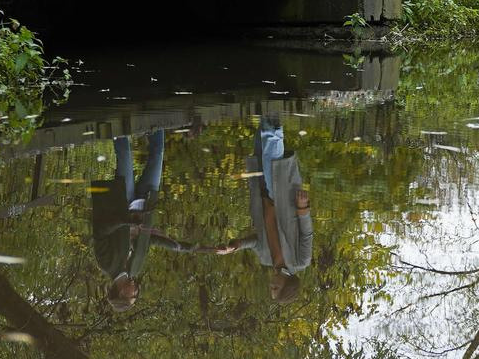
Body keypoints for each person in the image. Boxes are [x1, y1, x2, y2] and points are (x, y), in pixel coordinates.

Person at [90, 130, 205, 309]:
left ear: (122, 293)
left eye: (133, 296)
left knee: (124, 152)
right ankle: (156, 121)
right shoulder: (135, 269)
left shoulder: (105, 264)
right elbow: (148, 240)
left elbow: (100, 230)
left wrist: (126, 221)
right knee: (158, 152)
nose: (136, 292)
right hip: (145, 205)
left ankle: (119, 115)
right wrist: (181, 247)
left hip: (121, 201)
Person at [211, 120, 313, 302]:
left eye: (271, 288)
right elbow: (306, 234)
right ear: (287, 284)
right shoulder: (300, 261)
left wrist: (235, 246)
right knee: (271, 147)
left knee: (260, 143)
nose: (271, 285)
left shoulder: (266, 259)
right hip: (284, 199)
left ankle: (266, 111)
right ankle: (273, 113)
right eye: (275, 287)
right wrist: (303, 208)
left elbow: (255, 242)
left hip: (262, 196)